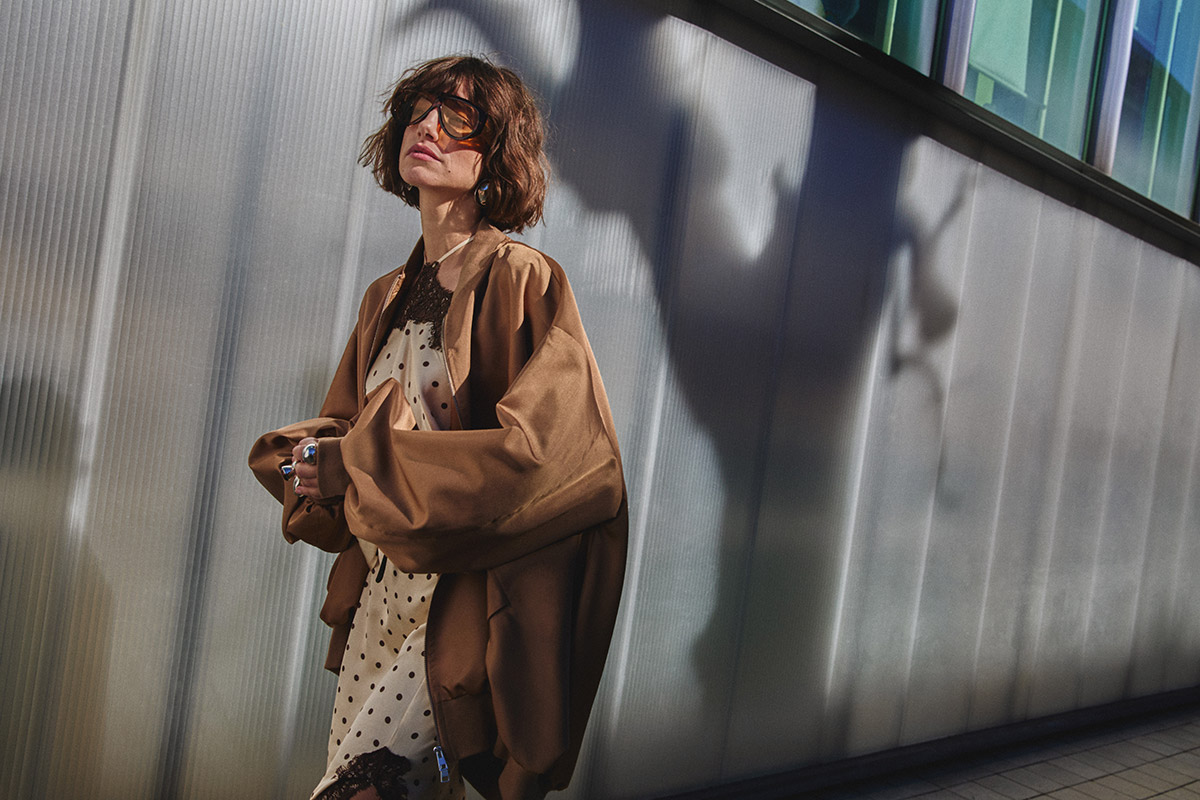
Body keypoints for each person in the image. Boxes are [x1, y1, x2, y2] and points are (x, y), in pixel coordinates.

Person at [248, 55, 627, 800]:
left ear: (496, 155)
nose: (429, 126)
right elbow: (350, 424)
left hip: (458, 602)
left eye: (459, 117)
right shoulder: (386, 293)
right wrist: (311, 458)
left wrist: (359, 466)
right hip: (375, 602)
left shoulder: (525, 278)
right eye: (420, 109)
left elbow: (555, 460)